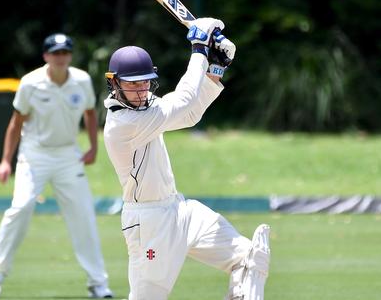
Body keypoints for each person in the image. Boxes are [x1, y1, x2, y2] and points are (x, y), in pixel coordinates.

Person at [103, 18, 270, 300]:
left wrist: (214, 71)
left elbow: (189, 114)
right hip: (149, 223)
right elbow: (182, 100)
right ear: (114, 83)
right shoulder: (123, 123)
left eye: (145, 83)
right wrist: (198, 50)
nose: (141, 90)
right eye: (133, 85)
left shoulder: (146, 109)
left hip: (180, 209)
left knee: (248, 258)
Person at [0, 33, 114, 298]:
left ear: (70, 56)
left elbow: (89, 113)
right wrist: (6, 161)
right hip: (34, 154)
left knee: (84, 214)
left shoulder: (82, 80)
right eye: (56, 53)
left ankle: (98, 283)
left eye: (65, 53)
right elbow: (16, 122)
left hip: (68, 155)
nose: (61, 57)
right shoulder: (31, 83)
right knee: (21, 207)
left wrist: (93, 148)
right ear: (46, 56)